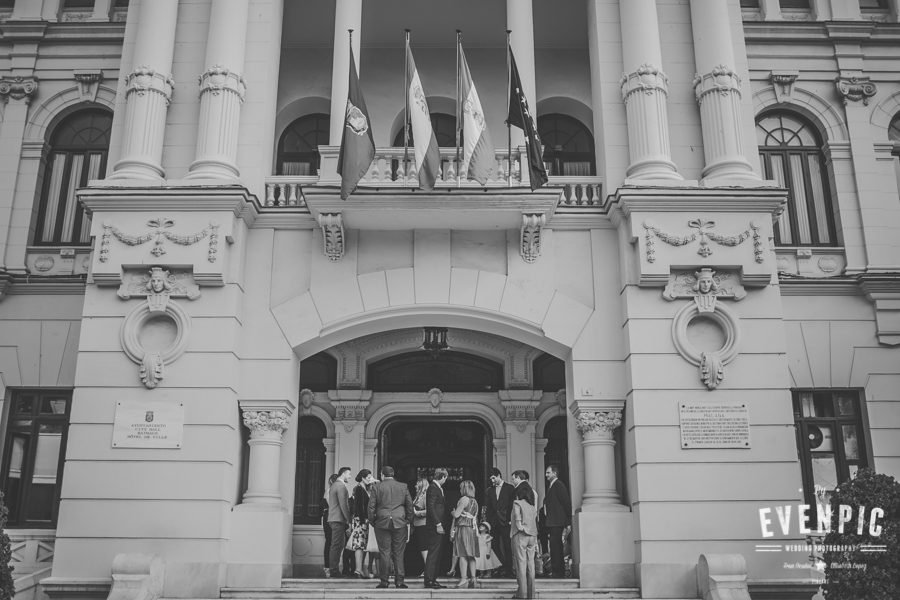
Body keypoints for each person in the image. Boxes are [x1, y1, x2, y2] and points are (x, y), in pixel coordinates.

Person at [367, 465, 414, 589]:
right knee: (399, 552)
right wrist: (408, 520)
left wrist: (373, 521)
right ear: (393, 475)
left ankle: (384, 581)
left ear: (382, 475)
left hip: (382, 522)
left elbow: (371, 507)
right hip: (400, 522)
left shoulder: (377, 487)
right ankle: (399, 582)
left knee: (384, 552)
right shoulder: (403, 486)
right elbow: (409, 505)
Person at [510, 480, 538, 599]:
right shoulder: (531, 506)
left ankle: (522, 595)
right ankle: (530, 595)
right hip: (532, 536)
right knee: (531, 566)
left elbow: (517, 518)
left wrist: (520, 527)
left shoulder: (517, 502)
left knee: (521, 565)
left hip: (521, 535)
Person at [484, 468, 515, 577]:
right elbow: (488, 508)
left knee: (507, 546)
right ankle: (502, 565)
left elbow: (512, 505)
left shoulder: (510, 488)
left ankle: (509, 570)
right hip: (493, 522)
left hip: (506, 521)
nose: (492, 481)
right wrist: (487, 522)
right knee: (494, 545)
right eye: (490, 479)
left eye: (493, 478)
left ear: (499, 475)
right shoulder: (489, 490)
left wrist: (510, 519)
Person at [542, 464, 571, 578]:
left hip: (558, 522)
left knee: (556, 547)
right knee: (554, 547)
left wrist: (568, 521)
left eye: (548, 472)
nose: (546, 475)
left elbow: (566, 503)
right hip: (553, 521)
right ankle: (557, 571)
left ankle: (558, 572)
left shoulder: (559, 485)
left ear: (554, 473)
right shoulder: (552, 485)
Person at [451, 479, 480, 588]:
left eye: (460, 488)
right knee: (471, 555)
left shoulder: (464, 499)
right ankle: (473, 578)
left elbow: (457, 515)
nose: (459, 489)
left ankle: (464, 579)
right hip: (472, 529)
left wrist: (453, 512)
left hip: (463, 529)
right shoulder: (475, 501)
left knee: (462, 554)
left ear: (464, 489)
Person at [347, 469, 375, 578]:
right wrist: (363, 521)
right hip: (360, 520)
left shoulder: (364, 488)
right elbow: (359, 506)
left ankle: (360, 569)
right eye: (368, 477)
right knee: (359, 545)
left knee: (362, 545)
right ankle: (358, 570)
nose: (369, 479)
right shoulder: (359, 488)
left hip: (363, 520)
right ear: (363, 478)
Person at [423, 468, 448, 589]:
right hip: (434, 526)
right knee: (433, 553)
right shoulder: (433, 488)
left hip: (438, 525)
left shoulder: (437, 488)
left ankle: (433, 579)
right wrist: (438, 524)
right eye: (446, 478)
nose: (446, 480)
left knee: (436, 553)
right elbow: (431, 507)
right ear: (443, 477)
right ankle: (429, 580)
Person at [327, 467, 352, 577]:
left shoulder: (334, 485)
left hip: (334, 518)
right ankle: (334, 570)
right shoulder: (341, 486)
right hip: (338, 519)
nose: (350, 477)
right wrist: (349, 519)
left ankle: (334, 569)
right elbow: (344, 505)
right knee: (337, 545)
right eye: (349, 474)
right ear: (344, 474)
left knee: (339, 544)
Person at [411, 477, 429, 575]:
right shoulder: (418, 496)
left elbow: (429, 510)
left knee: (424, 547)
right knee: (421, 547)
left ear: (421, 485)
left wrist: (417, 513)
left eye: (417, 484)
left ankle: (428, 570)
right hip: (417, 524)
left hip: (423, 524)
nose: (415, 486)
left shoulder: (426, 496)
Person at [321, 473, 338, 577]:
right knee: (330, 542)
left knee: (332, 543)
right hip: (330, 518)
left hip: (331, 517)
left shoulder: (331, 491)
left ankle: (330, 567)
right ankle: (328, 568)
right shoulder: (330, 491)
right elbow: (332, 505)